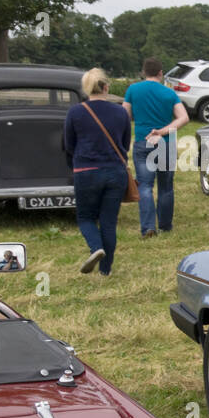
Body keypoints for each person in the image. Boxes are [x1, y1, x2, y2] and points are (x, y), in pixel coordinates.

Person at [64, 69, 131, 276]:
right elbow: (125, 144)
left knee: (85, 217)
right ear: (106, 87)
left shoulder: (75, 112)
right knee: (109, 222)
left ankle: (96, 248)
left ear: (86, 89)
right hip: (115, 172)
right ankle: (105, 270)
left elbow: (68, 144)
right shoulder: (121, 112)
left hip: (86, 170)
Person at [123, 58, 188, 238]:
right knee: (166, 187)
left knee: (145, 186)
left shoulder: (133, 90)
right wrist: (163, 131)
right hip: (166, 143)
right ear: (161, 73)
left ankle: (148, 227)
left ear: (144, 73)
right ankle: (166, 225)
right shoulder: (169, 93)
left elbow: (124, 115)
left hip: (143, 142)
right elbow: (184, 118)